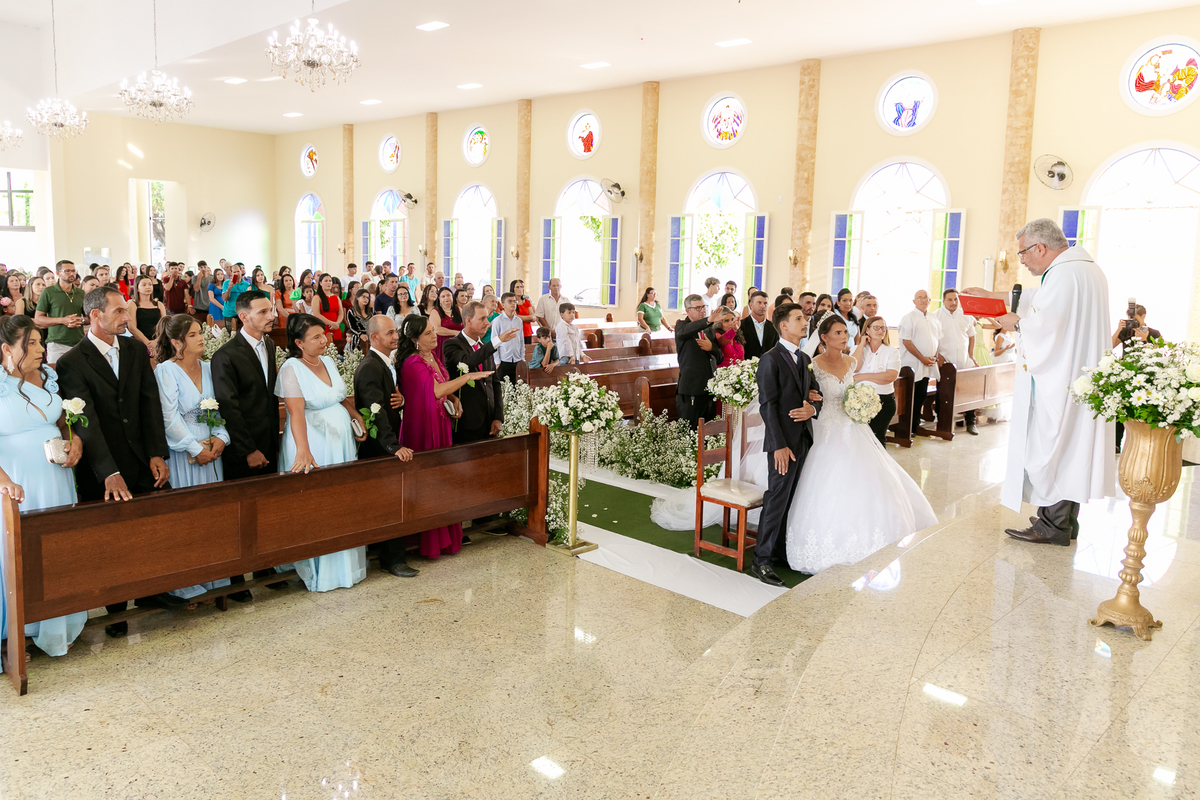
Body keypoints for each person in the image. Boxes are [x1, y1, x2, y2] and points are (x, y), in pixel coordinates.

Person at [972, 218, 1114, 546]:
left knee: (1054, 445)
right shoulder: (1085, 269)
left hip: (1061, 376)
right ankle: (1063, 521)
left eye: (1023, 252)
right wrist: (993, 296)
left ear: (1040, 247)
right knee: (1071, 446)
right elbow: (1040, 300)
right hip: (1078, 374)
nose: (1021, 260)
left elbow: (1046, 325)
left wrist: (1016, 324)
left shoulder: (1064, 274)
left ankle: (1053, 526)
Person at [56, 286, 171, 637]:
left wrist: (156, 452)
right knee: (110, 539)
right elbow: (85, 420)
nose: (126, 317)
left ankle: (152, 591)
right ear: (95, 315)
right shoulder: (72, 361)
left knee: (150, 528)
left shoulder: (135, 349)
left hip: (142, 457)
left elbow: (149, 402)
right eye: (119, 311)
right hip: (103, 464)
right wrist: (109, 471)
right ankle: (116, 608)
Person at [785, 315, 936, 575]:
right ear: (824, 337)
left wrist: (860, 403)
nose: (844, 337)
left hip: (852, 425)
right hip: (825, 428)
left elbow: (853, 387)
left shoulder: (851, 361)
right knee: (826, 479)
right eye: (838, 333)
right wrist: (809, 396)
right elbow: (804, 393)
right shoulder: (813, 364)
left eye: (845, 332)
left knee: (869, 475)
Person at [0, 316, 89, 657]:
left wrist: (74, 440)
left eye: (40, 342)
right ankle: (17, 632)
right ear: (7, 349)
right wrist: (5, 481)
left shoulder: (49, 376)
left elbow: (63, 419)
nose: (41, 349)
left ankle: (57, 624)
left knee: (57, 549)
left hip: (56, 478)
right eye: (31, 344)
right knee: (19, 554)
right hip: (17, 482)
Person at [276, 313, 370, 592]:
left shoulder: (328, 361)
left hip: (340, 442)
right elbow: (295, 412)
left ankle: (345, 566)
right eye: (316, 337)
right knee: (318, 503)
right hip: (313, 441)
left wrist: (356, 417)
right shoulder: (291, 368)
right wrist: (303, 451)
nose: (324, 340)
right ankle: (319, 569)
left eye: (324, 335)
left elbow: (339, 396)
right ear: (299, 343)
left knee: (343, 501)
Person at [153, 314, 233, 606]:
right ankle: (187, 586)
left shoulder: (210, 368)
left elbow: (221, 408)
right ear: (176, 342)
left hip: (211, 450)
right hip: (183, 452)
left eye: (201, 332)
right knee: (187, 520)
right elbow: (168, 417)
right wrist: (193, 448)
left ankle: (214, 580)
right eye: (193, 334)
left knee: (213, 518)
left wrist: (220, 438)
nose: (201, 338)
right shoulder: (166, 371)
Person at [396, 315, 492, 557]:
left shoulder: (433, 357)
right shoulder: (413, 362)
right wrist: (467, 377)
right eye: (428, 333)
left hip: (440, 422)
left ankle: (445, 535)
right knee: (429, 480)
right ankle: (427, 539)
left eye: (433, 331)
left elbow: (443, 387)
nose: (434, 336)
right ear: (415, 339)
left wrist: (454, 398)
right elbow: (435, 390)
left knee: (444, 478)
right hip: (423, 425)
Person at [752, 302, 821, 586]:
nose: (805, 323)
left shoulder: (804, 358)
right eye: (799, 319)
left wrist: (812, 409)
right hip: (782, 444)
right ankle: (761, 560)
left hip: (803, 438)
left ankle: (779, 551)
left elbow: (816, 394)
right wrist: (778, 445)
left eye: (804, 318)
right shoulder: (770, 360)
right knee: (777, 497)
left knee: (792, 496)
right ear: (784, 325)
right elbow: (767, 406)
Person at [444, 301, 508, 444]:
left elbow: (495, 383)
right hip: (466, 421)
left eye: (487, 318)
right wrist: (496, 341)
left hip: (489, 420)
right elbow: (468, 361)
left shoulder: (484, 347)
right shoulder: (452, 344)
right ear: (468, 321)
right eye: (482, 318)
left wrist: (498, 417)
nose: (487, 323)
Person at [932, 288, 979, 434]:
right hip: (945, 362)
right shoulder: (936, 316)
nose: (953, 302)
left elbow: (972, 335)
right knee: (943, 393)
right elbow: (932, 339)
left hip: (964, 361)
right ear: (943, 301)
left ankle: (970, 422)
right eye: (950, 299)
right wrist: (938, 356)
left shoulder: (966, 315)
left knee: (969, 391)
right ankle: (942, 423)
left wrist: (971, 355)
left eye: (956, 299)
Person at [674, 294, 723, 430]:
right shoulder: (681, 326)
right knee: (690, 431)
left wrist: (711, 347)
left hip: (709, 389)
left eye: (703, 307)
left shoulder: (708, 329)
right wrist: (708, 320)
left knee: (708, 432)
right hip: (692, 389)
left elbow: (720, 357)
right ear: (688, 310)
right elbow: (684, 332)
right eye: (698, 308)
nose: (702, 310)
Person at [898, 290, 940, 436]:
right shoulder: (908, 318)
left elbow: (937, 339)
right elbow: (906, 341)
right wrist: (922, 358)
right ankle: (906, 425)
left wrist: (934, 357)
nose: (923, 300)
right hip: (913, 364)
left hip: (928, 363)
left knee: (921, 394)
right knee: (911, 395)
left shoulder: (933, 318)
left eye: (925, 298)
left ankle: (915, 424)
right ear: (914, 301)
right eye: (919, 298)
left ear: (929, 300)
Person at [853, 316, 901, 446]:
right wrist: (861, 345)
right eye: (876, 327)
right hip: (859, 400)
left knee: (877, 439)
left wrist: (861, 377)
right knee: (860, 441)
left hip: (883, 400)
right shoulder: (856, 349)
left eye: (883, 328)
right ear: (867, 330)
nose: (880, 331)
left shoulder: (892, 351)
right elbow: (854, 367)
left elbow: (890, 376)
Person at [33, 260, 84, 365]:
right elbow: (38, 319)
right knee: (56, 373)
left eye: (73, 271)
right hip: (57, 342)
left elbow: (89, 317)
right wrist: (63, 320)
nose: (71, 274)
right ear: (58, 273)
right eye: (67, 271)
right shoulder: (48, 292)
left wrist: (80, 320)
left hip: (78, 342)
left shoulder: (80, 293)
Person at [489, 292, 525, 385]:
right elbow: (494, 342)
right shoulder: (498, 321)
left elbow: (521, 340)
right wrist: (497, 361)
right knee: (503, 387)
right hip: (503, 360)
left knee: (517, 386)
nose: (513, 303)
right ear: (503, 305)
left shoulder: (519, 320)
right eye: (510, 301)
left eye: (514, 301)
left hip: (517, 359)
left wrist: (522, 358)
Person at [129, 276, 167, 359]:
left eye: (150, 284)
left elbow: (164, 325)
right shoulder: (133, 305)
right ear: (137, 288)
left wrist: (156, 341)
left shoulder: (159, 304)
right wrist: (148, 344)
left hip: (158, 341)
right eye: (144, 285)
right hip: (140, 341)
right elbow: (132, 328)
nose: (148, 287)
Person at [429, 286, 463, 365]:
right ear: (439, 299)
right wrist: (456, 333)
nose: (446, 298)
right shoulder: (435, 312)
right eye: (443, 296)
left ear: (452, 296)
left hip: (458, 343)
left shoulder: (459, 309)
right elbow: (437, 329)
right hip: (442, 344)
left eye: (448, 295)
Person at [740, 290, 778, 359]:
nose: (762, 306)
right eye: (759, 303)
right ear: (751, 305)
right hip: (746, 363)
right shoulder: (741, 325)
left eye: (765, 303)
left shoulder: (773, 327)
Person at [313, 274, 344, 342]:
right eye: (326, 281)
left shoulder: (336, 297)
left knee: (338, 346)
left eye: (330, 281)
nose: (328, 283)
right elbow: (317, 314)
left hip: (335, 327)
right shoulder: (317, 297)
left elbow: (341, 313)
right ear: (320, 283)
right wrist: (331, 323)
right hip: (323, 328)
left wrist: (337, 323)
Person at [221, 264, 250, 332]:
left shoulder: (246, 285)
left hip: (242, 313)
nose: (236, 273)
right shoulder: (226, 283)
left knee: (243, 334)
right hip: (230, 313)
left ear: (241, 271)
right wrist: (229, 288)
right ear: (231, 273)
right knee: (230, 334)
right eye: (234, 272)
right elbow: (225, 299)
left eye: (238, 271)